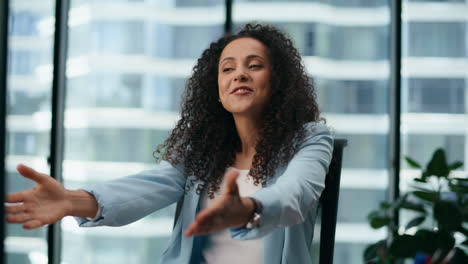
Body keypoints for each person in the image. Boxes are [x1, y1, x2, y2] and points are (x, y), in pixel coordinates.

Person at [5, 24, 333, 264]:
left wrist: (248, 208)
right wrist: (72, 200)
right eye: (228, 68)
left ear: (278, 83)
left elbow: (296, 194)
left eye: (255, 66)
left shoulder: (310, 139)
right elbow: (143, 190)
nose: (239, 75)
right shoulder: (204, 152)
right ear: (216, 92)